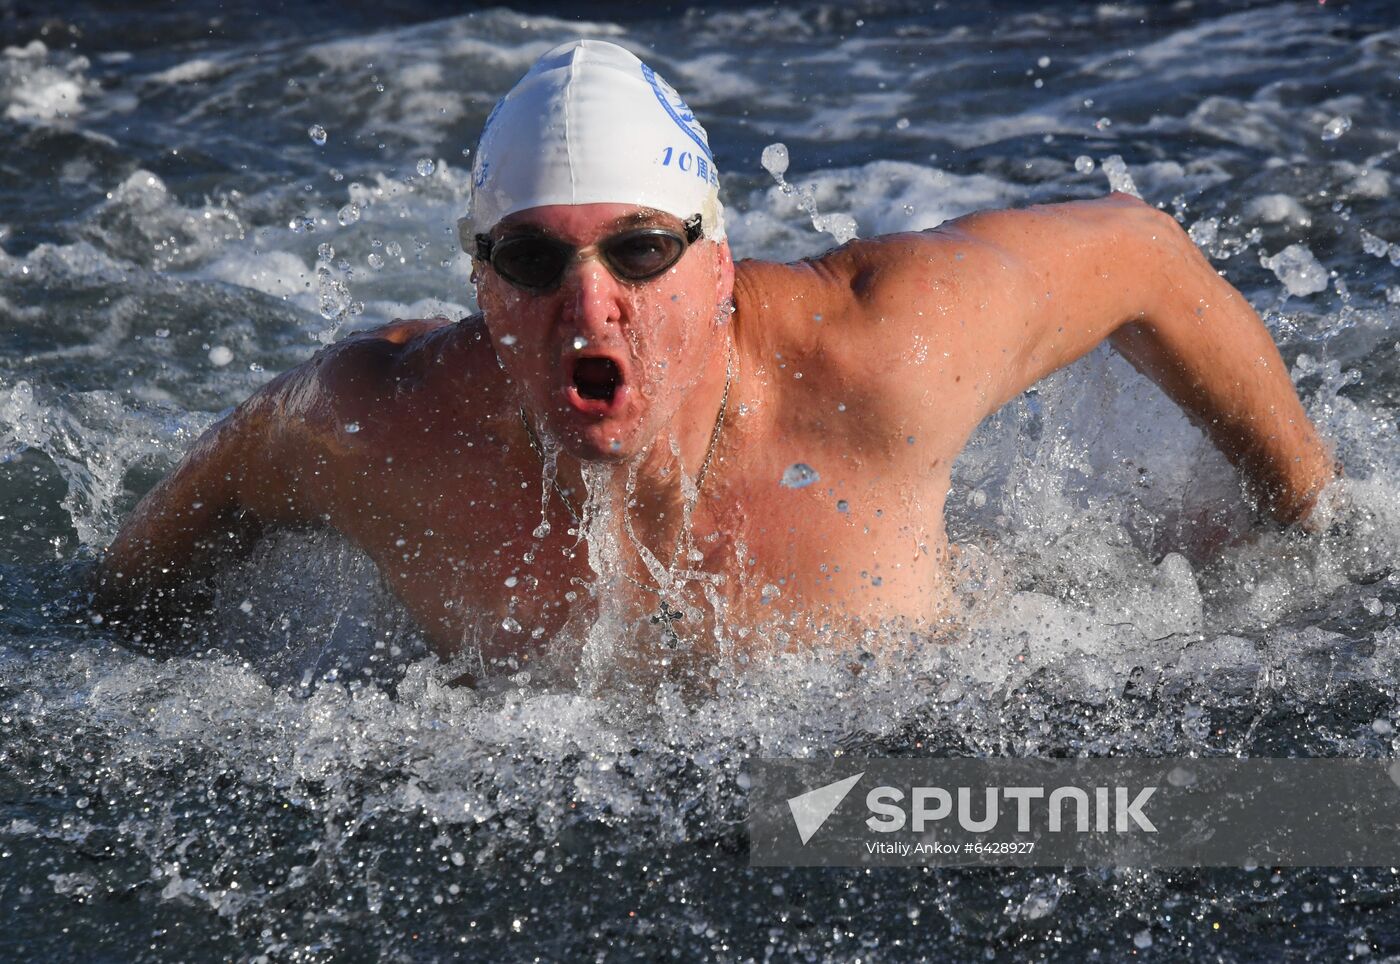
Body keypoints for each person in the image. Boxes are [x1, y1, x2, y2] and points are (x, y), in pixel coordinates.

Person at [95, 39, 1338, 684]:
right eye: (532, 263)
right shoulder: (368, 422)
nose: (591, 305)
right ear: (478, 282)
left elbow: (1144, 257)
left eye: (638, 252)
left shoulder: (883, 357)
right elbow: (143, 569)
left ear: (718, 263)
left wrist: (1305, 524)